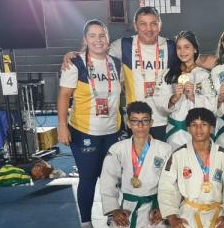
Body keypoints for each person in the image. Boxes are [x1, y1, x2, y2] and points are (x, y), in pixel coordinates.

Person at [62, 7, 176, 141]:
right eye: (143, 24)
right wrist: (75, 55)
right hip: (135, 119)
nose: (148, 28)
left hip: (164, 118)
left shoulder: (170, 46)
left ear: (160, 25)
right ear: (135, 25)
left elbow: (192, 58)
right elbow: (97, 51)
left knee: (163, 159)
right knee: (136, 160)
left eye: (153, 23)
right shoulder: (123, 45)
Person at [57, 19, 123, 228]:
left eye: (102, 35)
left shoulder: (116, 63)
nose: (98, 40)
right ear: (85, 39)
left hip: (112, 131)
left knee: (112, 176)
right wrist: (62, 125)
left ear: (108, 39)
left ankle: (113, 213)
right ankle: (86, 220)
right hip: (85, 131)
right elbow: (64, 96)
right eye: (92, 36)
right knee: (88, 177)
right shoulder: (75, 64)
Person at [158, 107, 224, 228]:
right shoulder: (178, 155)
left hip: (217, 211)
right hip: (189, 210)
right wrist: (173, 218)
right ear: (188, 128)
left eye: (204, 124)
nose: (198, 129)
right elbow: (166, 187)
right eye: (194, 124)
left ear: (212, 128)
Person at [99, 101, 172, 228]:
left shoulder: (164, 149)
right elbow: (108, 181)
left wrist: (163, 209)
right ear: (128, 123)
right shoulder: (117, 149)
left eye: (145, 120)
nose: (140, 125)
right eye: (135, 121)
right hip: (129, 209)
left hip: (154, 207)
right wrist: (114, 210)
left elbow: (171, 184)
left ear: (151, 123)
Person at [155, 31, 217, 149]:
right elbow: (158, 101)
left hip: (198, 134)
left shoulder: (204, 75)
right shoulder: (169, 74)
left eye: (186, 47)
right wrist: (174, 98)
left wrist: (193, 97)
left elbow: (213, 105)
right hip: (175, 135)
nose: (182, 52)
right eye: (179, 48)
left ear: (195, 49)